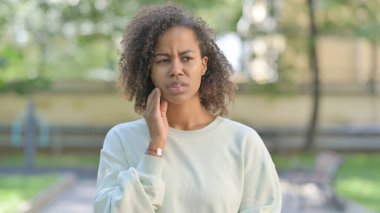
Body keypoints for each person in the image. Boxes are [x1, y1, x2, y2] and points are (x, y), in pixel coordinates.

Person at [94, 4, 282, 213]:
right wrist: (155, 146)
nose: (176, 70)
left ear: (203, 65)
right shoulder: (122, 140)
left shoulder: (243, 141)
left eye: (186, 58)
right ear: (149, 70)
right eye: (164, 60)